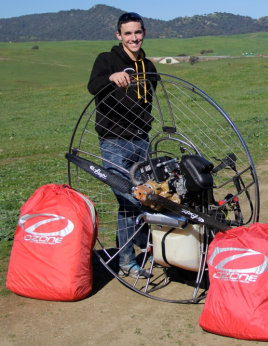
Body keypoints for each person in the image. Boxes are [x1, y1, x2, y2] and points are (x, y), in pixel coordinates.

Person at [88, 12, 157, 278]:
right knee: (129, 198)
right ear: (119, 35)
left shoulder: (148, 65)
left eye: (137, 32)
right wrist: (110, 78)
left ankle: (139, 248)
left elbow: (149, 97)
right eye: (127, 33)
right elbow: (93, 86)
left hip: (141, 139)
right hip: (114, 141)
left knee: (145, 197)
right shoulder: (106, 60)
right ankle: (129, 258)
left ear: (144, 33)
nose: (133, 38)